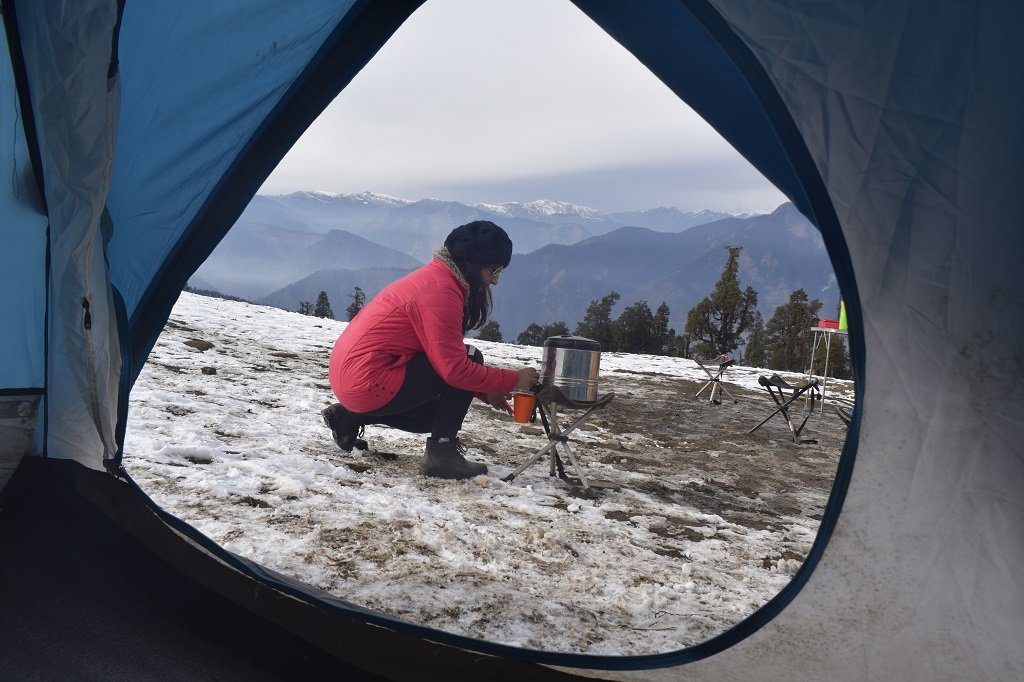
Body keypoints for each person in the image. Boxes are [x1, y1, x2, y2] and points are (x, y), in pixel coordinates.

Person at [322, 220, 540, 479]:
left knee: (434, 418)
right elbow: (455, 370)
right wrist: (514, 379)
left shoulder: (437, 277)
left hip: (354, 378)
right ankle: (442, 455)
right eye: (493, 270)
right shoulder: (441, 291)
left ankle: (348, 417)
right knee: (471, 357)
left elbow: (438, 356)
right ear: (472, 264)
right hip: (368, 380)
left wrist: (486, 391)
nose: (494, 281)